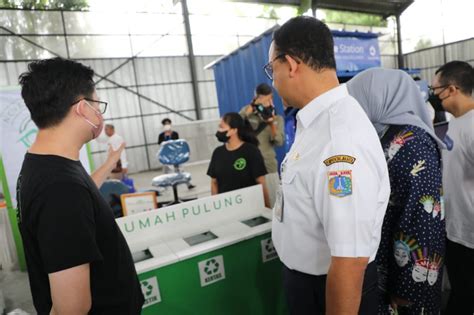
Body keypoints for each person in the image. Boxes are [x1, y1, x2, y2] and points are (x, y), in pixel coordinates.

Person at [268, 16, 390, 315]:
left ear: (292, 65)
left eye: (273, 69)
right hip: (309, 283)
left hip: (329, 292)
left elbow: (349, 261)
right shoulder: (315, 123)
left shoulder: (339, 140)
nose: (273, 80)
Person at [16, 57, 144, 315]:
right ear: (83, 108)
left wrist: (110, 162)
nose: (100, 113)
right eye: (97, 105)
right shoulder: (59, 188)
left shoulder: (50, 163)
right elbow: (71, 308)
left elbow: (84, 194)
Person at [347, 68, 446, 315]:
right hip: (387, 265)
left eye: (359, 100)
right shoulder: (387, 135)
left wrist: (406, 289)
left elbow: (422, 219)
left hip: (406, 281)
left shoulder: (412, 144)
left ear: (379, 98)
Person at [430, 61, 474, 314]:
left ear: (452, 89)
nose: (433, 95)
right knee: (461, 291)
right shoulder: (456, 121)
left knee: (465, 296)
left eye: (436, 89)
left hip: (470, 235)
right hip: (456, 229)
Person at [207, 112, 270, 208]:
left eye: (222, 127)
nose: (219, 130)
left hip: (249, 207)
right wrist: (215, 207)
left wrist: (267, 207)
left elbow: (261, 182)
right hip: (226, 209)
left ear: (234, 130)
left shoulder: (251, 151)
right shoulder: (217, 153)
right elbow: (214, 183)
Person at [240, 83, 284, 207]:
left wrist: (272, 125)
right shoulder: (247, 112)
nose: (268, 103)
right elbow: (234, 129)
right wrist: (247, 113)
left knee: (274, 202)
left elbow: (279, 142)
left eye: (270, 99)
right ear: (256, 99)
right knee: (252, 203)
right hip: (248, 165)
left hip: (268, 165)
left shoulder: (277, 119)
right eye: (265, 100)